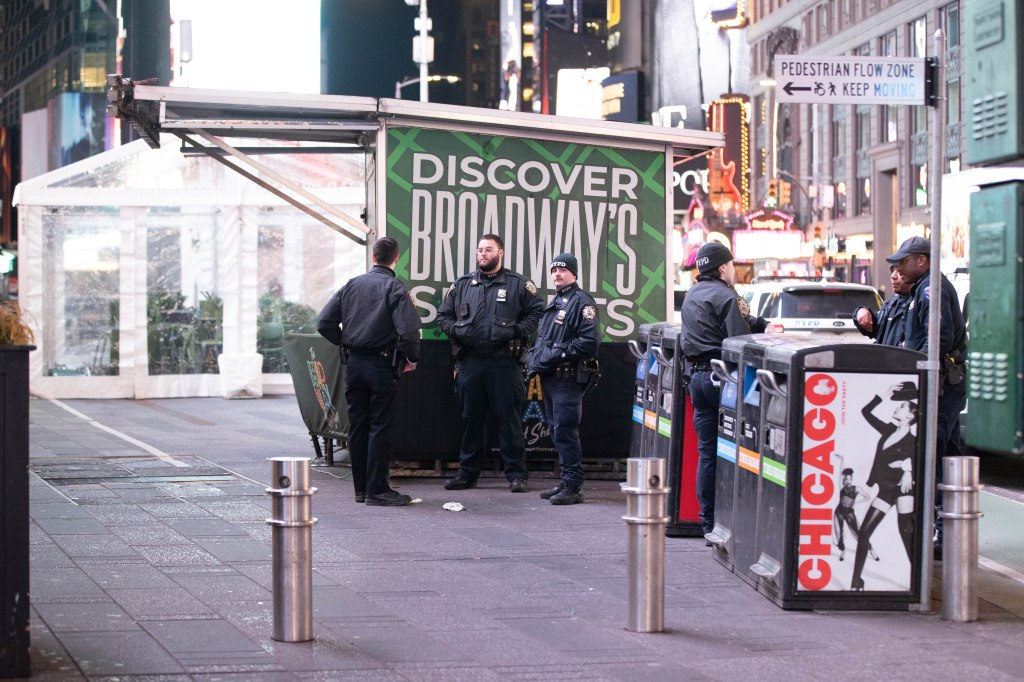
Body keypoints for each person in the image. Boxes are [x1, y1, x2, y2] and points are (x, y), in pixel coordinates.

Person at [316, 237, 422, 507]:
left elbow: (324, 322)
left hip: (354, 365)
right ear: (395, 260)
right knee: (379, 427)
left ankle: (360, 489)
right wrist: (412, 358)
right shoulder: (395, 288)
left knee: (358, 426)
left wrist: (344, 341)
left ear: (373, 257)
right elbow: (408, 331)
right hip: (381, 365)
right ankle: (378, 490)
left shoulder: (352, 285)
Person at [436, 234, 544, 493]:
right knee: (471, 420)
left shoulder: (519, 284)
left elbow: (538, 311)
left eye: (488, 250)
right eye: (480, 250)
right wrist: (458, 331)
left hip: (504, 364)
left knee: (509, 421)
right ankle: (468, 474)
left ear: (501, 253)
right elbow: (443, 316)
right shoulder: (463, 284)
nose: (483, 254)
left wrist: (516, 331)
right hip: (470, 363)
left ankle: (517, 475)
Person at [679, 242, 771, 543]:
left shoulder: (692, 295)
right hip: (724, 381)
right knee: (737, 452)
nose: (733, 269)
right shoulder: (727, 295)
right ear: (722, 268)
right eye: (731, 264)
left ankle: (708, 524)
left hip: (697, 379)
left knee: (707, 454)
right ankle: (734, 523)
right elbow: (740, 341)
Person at [886, 235, 968, 556]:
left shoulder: (931, 289)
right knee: (941, 456)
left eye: (904, 262)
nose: (900, 269)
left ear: (922, 260)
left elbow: (938, 339)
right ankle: (944, 534)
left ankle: (944, 536)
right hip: (940, 383)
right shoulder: (922, 289)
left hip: (943, 385)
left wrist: (915, 368)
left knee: (936, 456)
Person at [526, 253, 601, 505]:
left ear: (574, 274)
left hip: (567, 378)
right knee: (557, 430)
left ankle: (573, 485)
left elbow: (589, 343)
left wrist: (558, 353)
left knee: (566, 430)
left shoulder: (581, 302)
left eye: (563, 270)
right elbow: (544, 340)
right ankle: (566, 481)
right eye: (554, 270)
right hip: (551, 378)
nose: (557, 274)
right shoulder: (557, 301)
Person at [851, 382, 919, 590]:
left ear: (909, 416)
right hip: (886, 488)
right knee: (864, 533)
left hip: (903, 489)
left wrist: (908, 468)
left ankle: (917, 578)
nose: (895, 408)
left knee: (905, 531)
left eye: (901, 407)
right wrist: (885, 394)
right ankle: (856, 581)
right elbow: (866, 412)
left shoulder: (913, 440)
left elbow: (922, 456)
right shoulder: (888, 429)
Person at [832, 460, 878, 563]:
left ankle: (871, 550)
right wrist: (842, 460)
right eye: (846, 479)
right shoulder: (841, 487)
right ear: (844, 480)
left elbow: (867, 497)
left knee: (858, 533)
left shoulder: (856, 488)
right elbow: (840, 473)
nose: (847, 481)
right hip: (839, 512)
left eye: (849, 479)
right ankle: (842, 551)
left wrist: (856, 502)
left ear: (852, 479)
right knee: (839, 533)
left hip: (849, 512)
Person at [853, 265, 911, 347]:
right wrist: (860, 311)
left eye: (900, 271)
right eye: (892, 270)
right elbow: (876, 327)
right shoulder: (891, 303)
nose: (893, 276)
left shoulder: (915, 304)